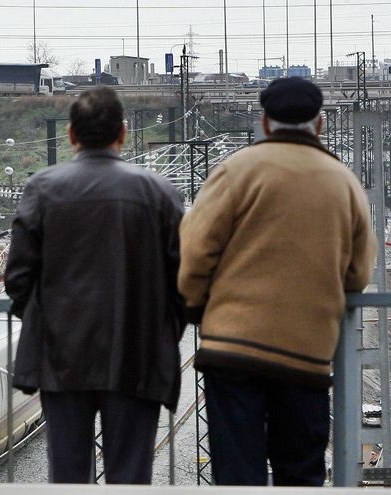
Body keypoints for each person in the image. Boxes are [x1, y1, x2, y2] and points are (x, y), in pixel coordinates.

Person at [178, 77, 377, 486]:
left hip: (231, 352)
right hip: (306, 354)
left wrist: (197, 306)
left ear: (265, 122)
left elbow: (194, 253)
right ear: (319, 125)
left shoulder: (235, 170)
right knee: (300, 472)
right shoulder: (343, 182)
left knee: (237, 472)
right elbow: (359, 271)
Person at [5, 87, 186, 484]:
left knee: (68, 475)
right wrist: (164, 327)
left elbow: (18, 278)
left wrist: (44, 317)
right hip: (137, 353)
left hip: (62, 354)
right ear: (122, 133)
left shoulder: (43, 188)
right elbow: (182, 281)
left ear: (71, 135)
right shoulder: (159, 192)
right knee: (131, 474)